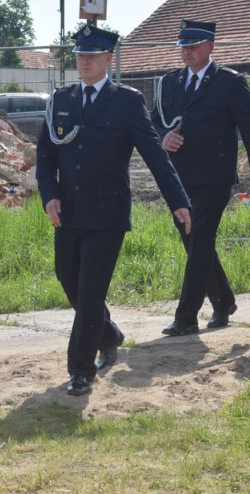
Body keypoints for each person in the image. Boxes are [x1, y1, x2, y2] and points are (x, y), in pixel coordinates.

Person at [37, 25, 190, 392]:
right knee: (69, 282)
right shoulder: (61, 100)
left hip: (107, 213)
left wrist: (178, 201)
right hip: (69, 212)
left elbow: (155, 154)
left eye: (92, 55)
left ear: (108, 59)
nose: (84, 60)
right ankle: (108, 333)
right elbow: (45, 156)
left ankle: (80, 370)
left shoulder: (126, 101)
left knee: (90, 292)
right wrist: (49, 194)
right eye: (80, 54)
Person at [154, 21, 250, 337]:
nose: (187, 51)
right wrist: (163, 138)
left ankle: (186, 317)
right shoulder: (171, 82)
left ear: (210, 47)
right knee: (193, 242)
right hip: (179, 177)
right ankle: (223, 302)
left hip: (215, 176)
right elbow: (153, 123)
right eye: (183, 46)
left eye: (193, 45)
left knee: (202, 236)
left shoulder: (230, 83)